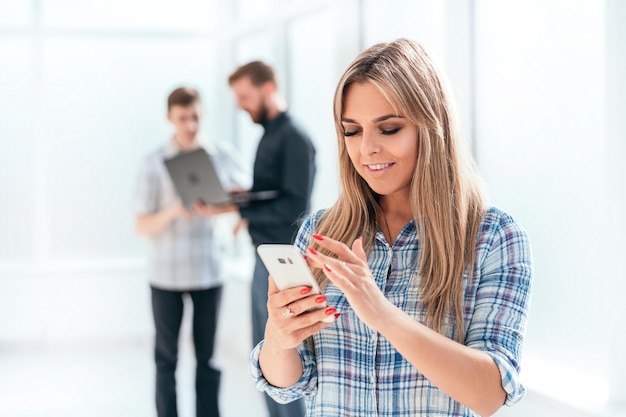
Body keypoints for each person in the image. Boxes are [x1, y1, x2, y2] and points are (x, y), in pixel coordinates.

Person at [249, 39, 533, 417]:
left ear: (432, 128)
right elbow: (289, 386)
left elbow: (490, 394)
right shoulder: (321, 233)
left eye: (389, 128)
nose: (367, 148)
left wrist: (382, 314)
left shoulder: (493, 237)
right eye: (352, 131)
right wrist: (278, 337)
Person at [134, 86, 250, 417]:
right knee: (166, 357)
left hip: (209, 270)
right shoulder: (154, 163)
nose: (190, 125)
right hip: (165, 274)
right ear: (170, 118)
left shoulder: (223, 156)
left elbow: (248, 200)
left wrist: (225, 208)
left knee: (207, 358)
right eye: (183, 118)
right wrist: (174, 210)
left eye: (195, 117)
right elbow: (141, 225)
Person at [227, 60, 316, 417]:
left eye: (245, 96)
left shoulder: (294, 136)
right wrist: (243, 199)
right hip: (265, 259)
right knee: (265, 355)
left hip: (284, 265)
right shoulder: (269, 134)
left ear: (267, 89)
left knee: (285, 357)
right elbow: (273, 194)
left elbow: (295, 205)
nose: (240, 104)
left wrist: (240, 211)